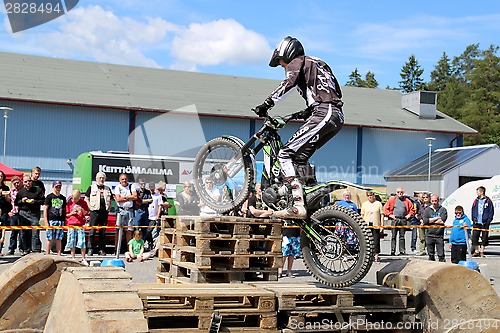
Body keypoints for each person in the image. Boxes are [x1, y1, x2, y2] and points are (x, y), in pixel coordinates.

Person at [253, 36, 344, 219]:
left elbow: (289, 83)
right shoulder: (319, 63)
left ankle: (297, 205)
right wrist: (304, 112)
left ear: (287, 53)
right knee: (299, 158)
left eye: (281, 63)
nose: (283, 67)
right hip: (335, 115)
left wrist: (268, 103)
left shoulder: (297, 61)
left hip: (324, 112)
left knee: (285, 154)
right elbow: (332, 91)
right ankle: (309, 197)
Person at [85, 172, 113, 256]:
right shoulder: (91, 187)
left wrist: (108, 208)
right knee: (92, 231)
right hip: (94, 212)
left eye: (103, 178)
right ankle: (90, 249)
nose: (101, 179)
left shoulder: (108, 188)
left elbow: (111, 200)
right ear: (96, 178)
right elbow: (86, 198)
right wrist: (90, 207)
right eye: (100, 178)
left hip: (104, 213)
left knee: (103, 232)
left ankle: (101, 250)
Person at [15, 175, 45, 254]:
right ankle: (26, 249)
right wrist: (22, 201)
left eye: (29, 181)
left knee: (35, 232)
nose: (28, 183)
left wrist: (34, 201)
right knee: (23, 232)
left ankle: (36, 250)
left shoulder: (37, 190)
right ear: (23, 183)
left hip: (34, 213)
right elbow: (16, 203)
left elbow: (43, 201)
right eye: (26, 181)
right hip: (23, 213)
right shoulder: (21, 191)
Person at [383, 187, 415, 256]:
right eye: (398, 192)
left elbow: (412, 209)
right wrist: (390, 215)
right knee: (393, 236)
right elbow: (385, 209)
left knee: (402, 236)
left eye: (401, 192)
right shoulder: (392, 200)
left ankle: (402, 251)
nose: (400, 194)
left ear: (403, 193)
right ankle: (392, 251)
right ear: (396, 192)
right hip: (395, 220)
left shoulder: (407, 200)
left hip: (403, 219)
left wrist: (409, 215)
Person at [44, 181, 66, 256]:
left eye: (59, 186)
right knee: (49, 238)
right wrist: (46, 222)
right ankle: (47, 254)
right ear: (53, 187)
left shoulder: (63, 198)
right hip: (51, 220)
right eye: (56, 187)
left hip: (60, 221)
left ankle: (59, 254)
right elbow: (45, 209)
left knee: (59, 239)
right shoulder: (49, 197)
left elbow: (64, 210)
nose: (58, 188)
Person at [471, 186, 494, 257]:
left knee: (484, 237)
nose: (476, 193)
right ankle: (476, 250)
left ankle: (482, 251)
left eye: (477, 192)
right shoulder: (476, 200)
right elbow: (473, 209)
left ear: (482, 192)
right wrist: (473, 218)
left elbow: (491, 211)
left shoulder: (488, 201)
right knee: (474, 236)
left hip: (485, 222)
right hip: (477, 221)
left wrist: (489, 220)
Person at [114, 173, 137, 245]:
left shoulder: (131, 186)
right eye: (122, 179)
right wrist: (130, 197)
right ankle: (116, 250)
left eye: (125, 179)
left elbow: (135, 196)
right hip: (120, 210)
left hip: (129, 210)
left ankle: (129, 249)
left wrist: (124, 197)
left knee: (129, 230)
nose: (124, 180)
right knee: (118, 230)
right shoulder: (118, 187)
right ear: (119, 180)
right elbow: (118, 199)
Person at [423, 194, 448, 262]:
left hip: (439, 235)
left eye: (435, 201)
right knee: (431, 255)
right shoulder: (427, 210)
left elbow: (442, 221)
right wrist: (436, 218)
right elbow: (425, 220)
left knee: (441, 255)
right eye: (433, 201)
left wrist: (430, 220)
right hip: (429, 235)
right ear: (430, 201)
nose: (434, 202)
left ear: (438, 201)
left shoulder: (443, 210)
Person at [361, 191, 384, 263]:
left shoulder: (378, 204)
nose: (370, 197)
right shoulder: (364, 204)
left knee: (376, 240)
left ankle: (376, 256)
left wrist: (382, 225)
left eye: (371, 195)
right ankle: (368, 256)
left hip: (376, 224)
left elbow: (382, 215)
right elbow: (362, 215)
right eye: (368, 195)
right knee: (367, 241)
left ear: (374, 195)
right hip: (367, 225)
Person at [7, 176, 22, 255]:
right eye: (15, 183)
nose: (16, 184)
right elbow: (8, 203)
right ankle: (11, 248)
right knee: (13, 232)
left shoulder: (23, 190)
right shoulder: (11, 191)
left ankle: (21, 248)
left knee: (22, 232)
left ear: (20, 181)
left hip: (22, 214)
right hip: (13, 214)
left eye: (17, 182)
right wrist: (8, 212)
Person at [0, 171, 11, 255]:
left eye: (1, 176)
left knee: (2, 227)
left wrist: (6, 196)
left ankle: (0, 248)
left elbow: (9, 200)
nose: (0, 178)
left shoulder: (6, 188)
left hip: (3, 209)